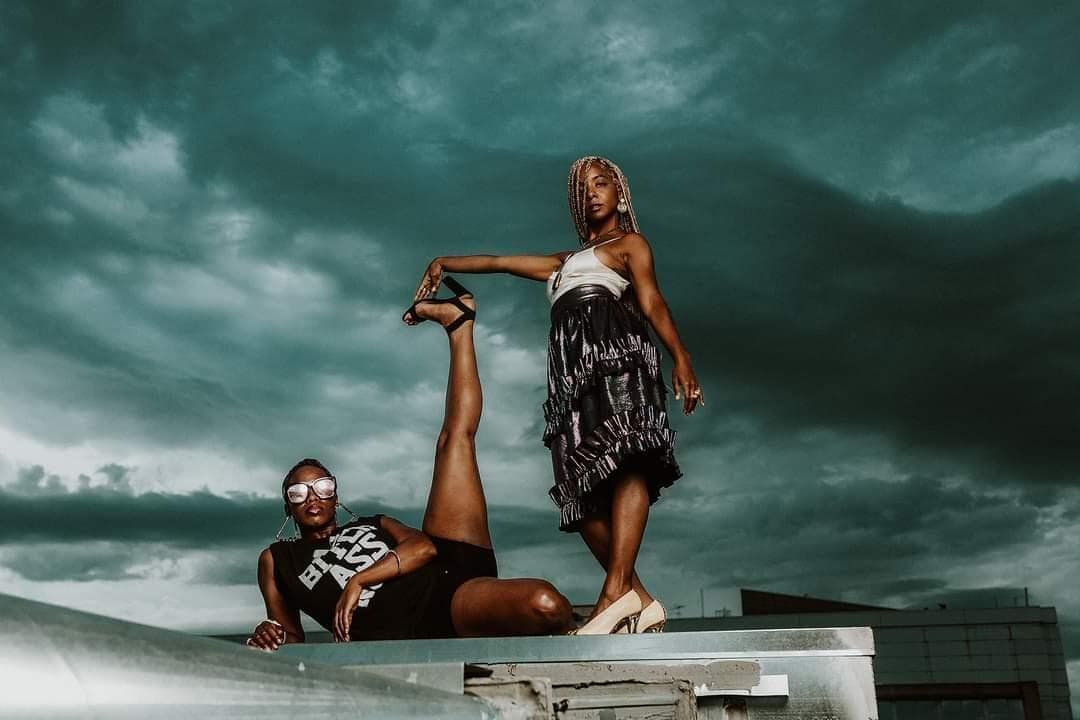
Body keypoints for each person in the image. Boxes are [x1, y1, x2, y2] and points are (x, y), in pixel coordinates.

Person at [406, 156, 702, 635]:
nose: (592, 194)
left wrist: (681, 357)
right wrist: (443, 262)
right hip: (571, 373)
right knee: (578, 494)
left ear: (620, 194)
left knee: (628, 459)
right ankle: (640, 600)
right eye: (583, 189)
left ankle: (615, 591)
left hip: (614, 354)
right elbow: (500, 263)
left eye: (601, 184)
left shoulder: (630, 245)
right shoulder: (564, 262)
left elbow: (652, 300)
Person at [247, 283, 575, 650]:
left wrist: (359, 580)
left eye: (323, 487)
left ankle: (459, 324)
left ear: (335, 498)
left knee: (455, 441)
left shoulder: (375, 523)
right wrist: (269, 634)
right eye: (298, 492)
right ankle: (571, 626)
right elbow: (290, 636)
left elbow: (424, 548)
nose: (312, 497)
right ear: (288, 507)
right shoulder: (278, 560)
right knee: (545, 605)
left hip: (447, 554)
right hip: (438, 611)